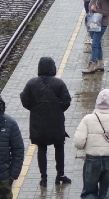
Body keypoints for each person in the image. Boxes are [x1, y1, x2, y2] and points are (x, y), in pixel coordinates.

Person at [20, 56, 72, 188]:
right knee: (59, 147)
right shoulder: (59, 84)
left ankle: (43, 178)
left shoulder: (31, 84)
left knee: (41, 149)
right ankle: (60, 174)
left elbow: (24, 100)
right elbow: (67, 101)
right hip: (56, 122)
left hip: (38, 123)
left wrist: (34, 108)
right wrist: (58, 110)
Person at [83, 0, 109, 74]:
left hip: (101, 24)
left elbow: (107, 12)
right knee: (98, 43)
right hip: (93, 24)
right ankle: (100, 63)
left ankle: (93, 64)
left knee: (95, 44)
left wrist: (97, 10)